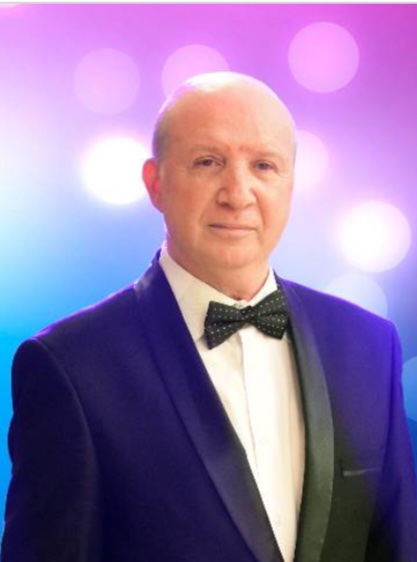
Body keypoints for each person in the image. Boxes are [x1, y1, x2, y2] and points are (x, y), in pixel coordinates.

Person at [1, 71, 416, 562]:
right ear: (155, 183)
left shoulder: (368, 344)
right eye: (207, 162)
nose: (237, 193)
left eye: (264, 165)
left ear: (290, 183)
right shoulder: (71, 366)